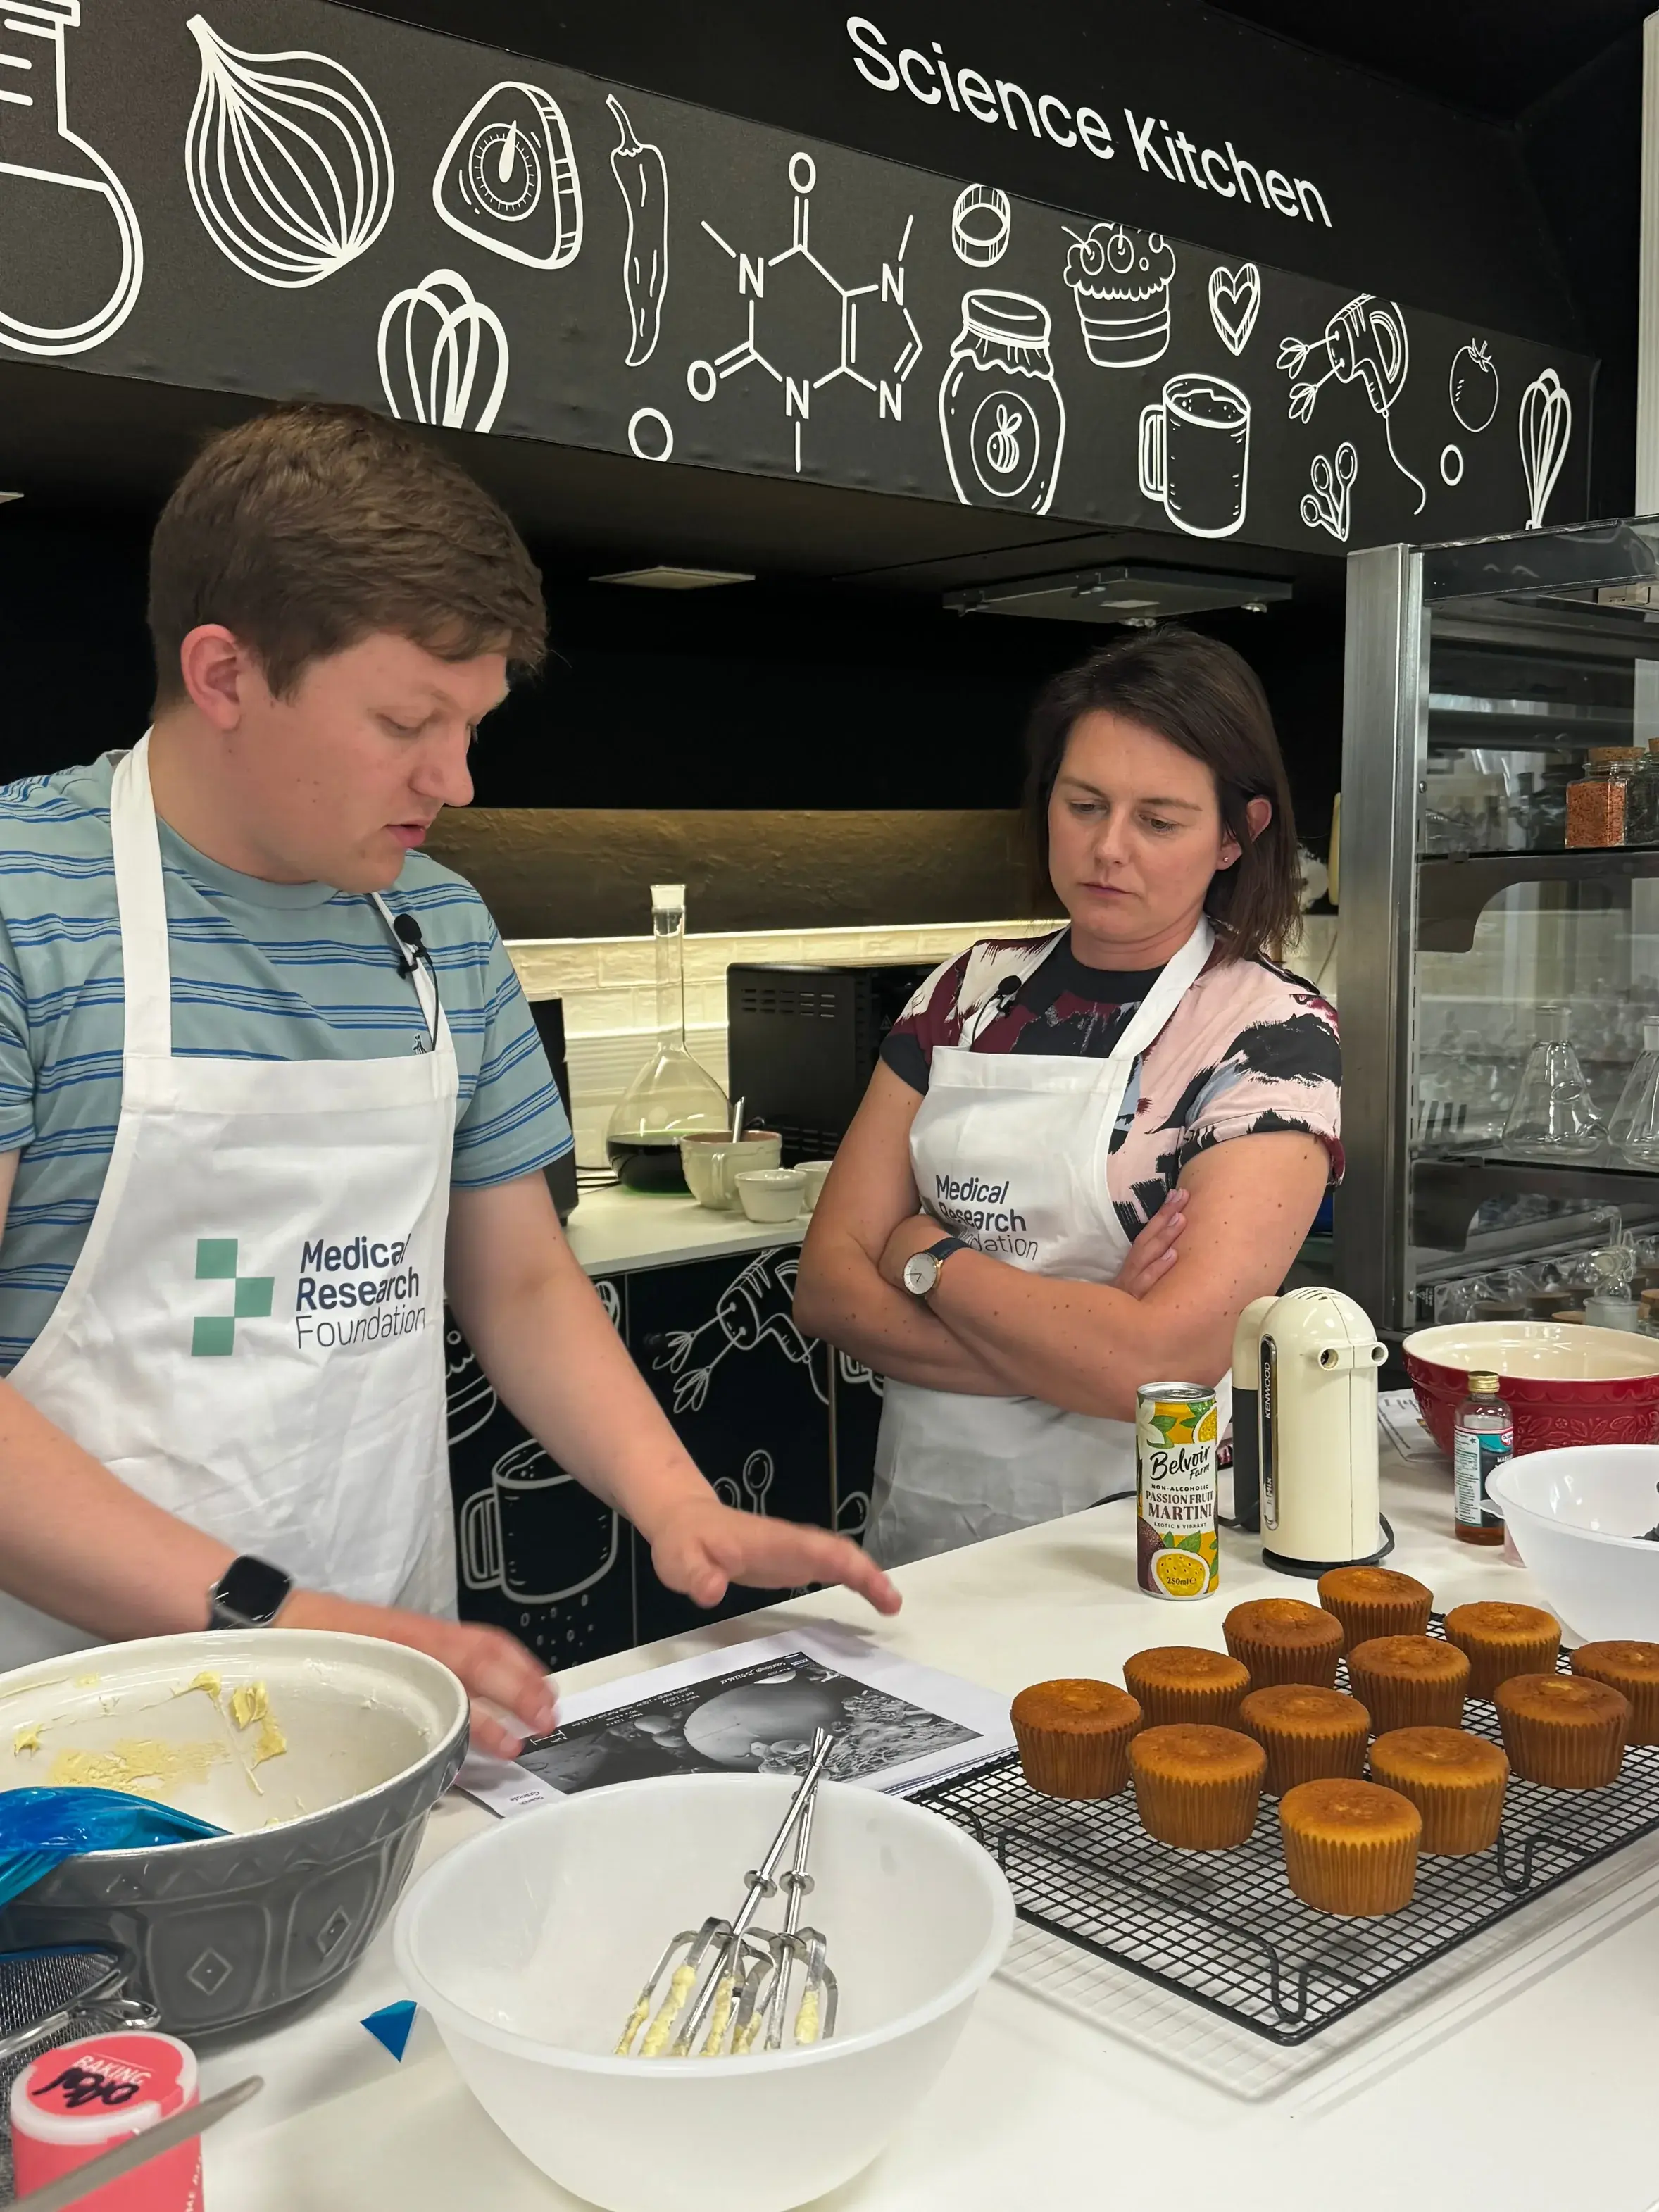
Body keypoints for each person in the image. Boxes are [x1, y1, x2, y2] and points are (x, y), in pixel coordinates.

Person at [0, 404, 896, 1749]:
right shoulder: (26, 903)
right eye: (408, 720)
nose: (458, 779)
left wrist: (674, 1500)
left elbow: (521, 1280)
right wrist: (287, 1625)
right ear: (225, 674)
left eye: (471, 723)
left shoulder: (439, 929)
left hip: (397, 1685)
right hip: (69, 1722)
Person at [794, 627, 1341, 1567]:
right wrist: (1077, 1351)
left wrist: (927, 1255)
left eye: (1158, 822)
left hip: (1141, 1533)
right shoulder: (965, 993)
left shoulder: (1269, 1034)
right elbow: (829, 1291)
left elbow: (1167, 1363)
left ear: (1235, 836)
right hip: (925, 1528)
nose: (1107, 848)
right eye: (1083, 803)